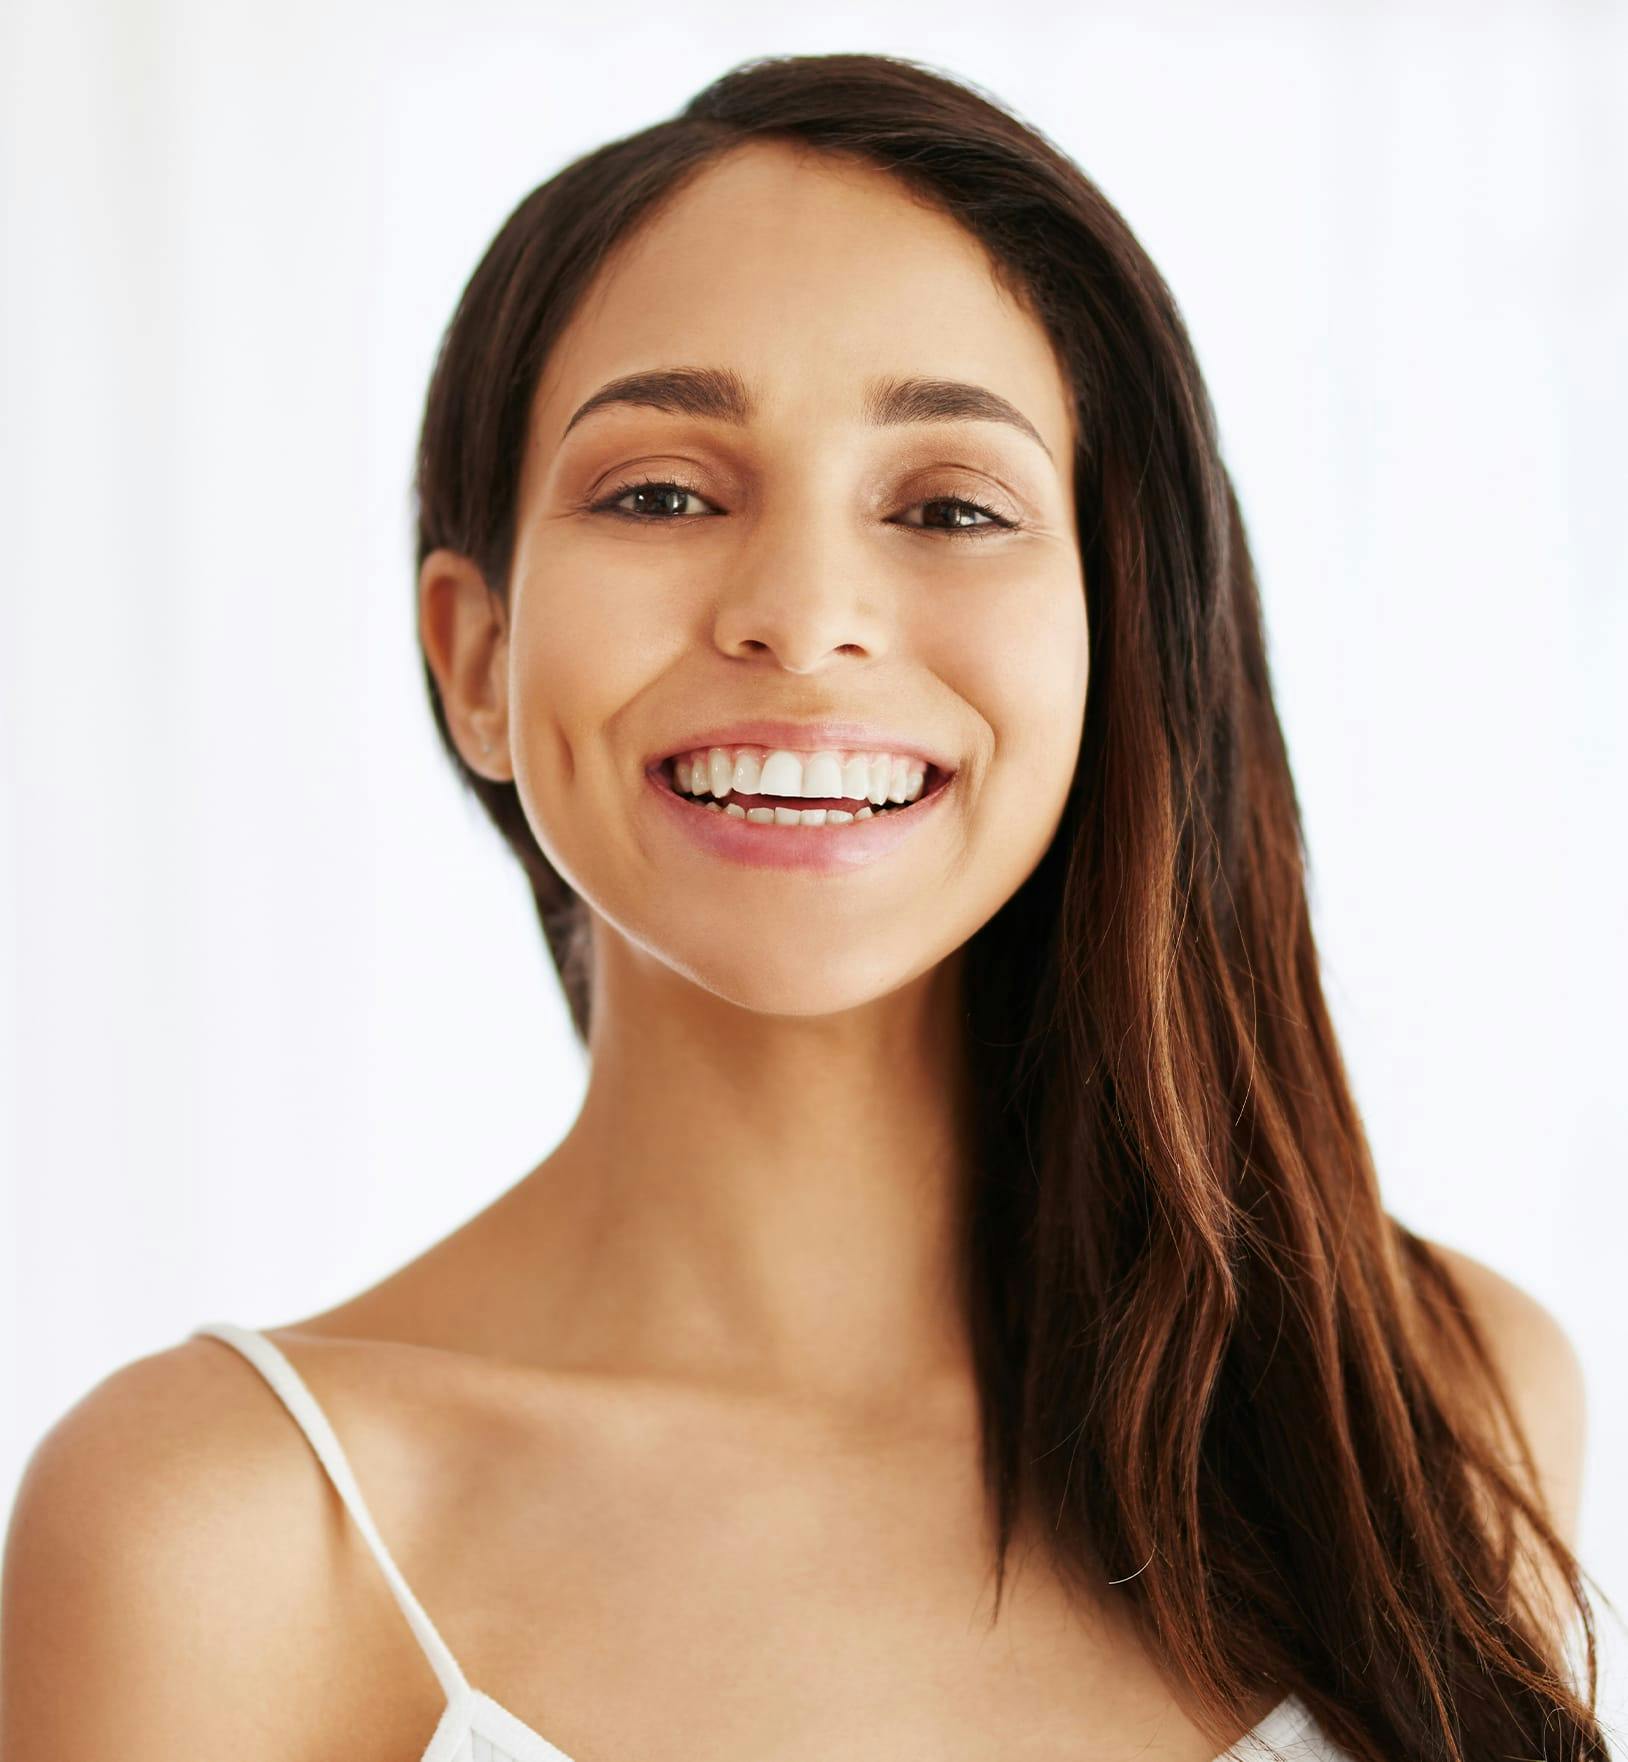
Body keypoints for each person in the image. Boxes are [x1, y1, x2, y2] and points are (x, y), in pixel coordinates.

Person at [0, 51, 1609, 1762]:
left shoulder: (1429, 1398)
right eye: (663, 492)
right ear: (477, 657)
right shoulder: (223, 1532)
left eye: (947, 506)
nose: (803, 614)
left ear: (1115, 627)